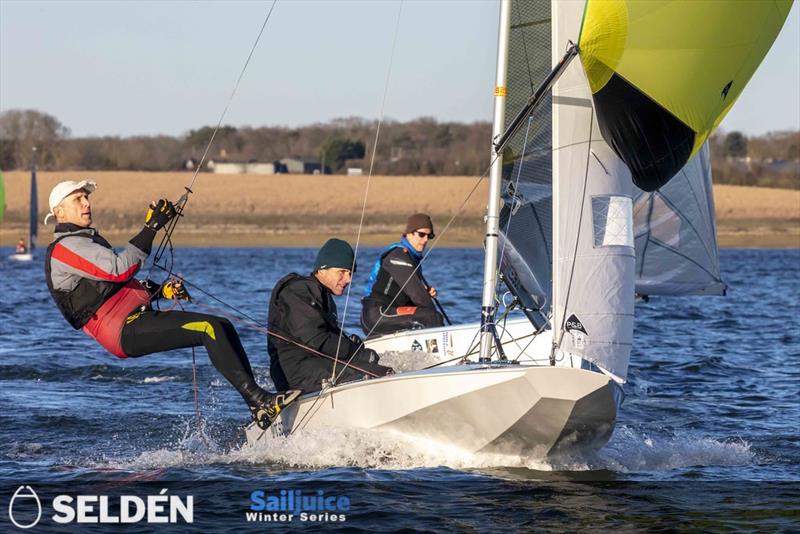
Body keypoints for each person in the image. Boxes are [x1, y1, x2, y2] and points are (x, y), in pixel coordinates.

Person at [43, 180, 299, 430]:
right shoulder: (65, 248)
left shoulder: (84, 242)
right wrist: (151, 227)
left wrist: (160, 291)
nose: (86, 203)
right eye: (77, 199)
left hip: (134, 317)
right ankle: (259, 401)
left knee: (223, 325)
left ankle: (260, 405)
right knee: (208, 328)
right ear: (59, 212)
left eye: (86, 197)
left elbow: (113, 289)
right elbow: (120, 270)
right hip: (121, 329)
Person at [268, 238, 393, 393]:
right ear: (322, 269)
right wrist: (356, 353)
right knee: (381, 374)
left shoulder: (322, 294)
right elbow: (315, 338)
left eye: (350, 273)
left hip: (315, 364)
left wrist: (353, 345)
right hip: (294, 372)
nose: (348, 279)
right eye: (342, 272)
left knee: (377, 367)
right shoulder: (299, 290)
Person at [361, 213, 444, 336]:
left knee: (428, 315)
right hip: (377, 314)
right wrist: (436, 320)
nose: (425, 240)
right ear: (409, 234)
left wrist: (424, 292)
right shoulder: (398, 256)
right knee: (430, 316)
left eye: (429, 236)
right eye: (421, 234)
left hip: (388, 313)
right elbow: (419, 297)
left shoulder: (410, 258)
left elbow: (411, 294)